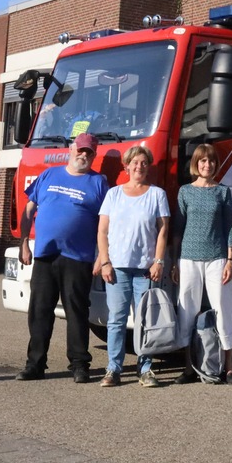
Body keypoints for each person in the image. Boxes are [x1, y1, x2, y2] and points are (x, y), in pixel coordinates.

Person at [16, 133, 109, 383]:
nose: (83, 155)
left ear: (94, 154)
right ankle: (35, 365)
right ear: (71, 149)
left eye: (89, 152)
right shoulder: (49, 174)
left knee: (77, 312)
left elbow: (105, 222)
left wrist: (102, 255)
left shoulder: (98, 183)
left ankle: (79, 365)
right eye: (80, 150)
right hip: (46, 255)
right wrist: (23, 241)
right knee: (39, 312)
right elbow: (28, 209)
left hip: (78, 258)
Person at [96, 145, 170, 387]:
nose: (139, 166)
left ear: (148, 167)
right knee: (116, 320)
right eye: (135, 162)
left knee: (145, 321)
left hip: (145, 270)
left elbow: (162, 232)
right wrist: (105, 261)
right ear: (126, 166)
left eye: (143, 163)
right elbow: (102, 231)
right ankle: (113, 369)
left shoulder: (157, 194)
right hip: (116, 268)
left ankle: (145, 369)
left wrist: (159, 261)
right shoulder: (113, 194)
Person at [171, 143, 232, 384]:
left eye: (210, 161)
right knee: (187, 310)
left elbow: (229, 227)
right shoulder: (185, 191)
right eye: (202, 161)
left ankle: (228, 366)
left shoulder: (223, 191)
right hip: (188, 257)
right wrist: (176, 261)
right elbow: (178, 229)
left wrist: (231, 260)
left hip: (217, 258)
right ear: (196, 164)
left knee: (222, 309)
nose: (207, 165)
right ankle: (189, 367)